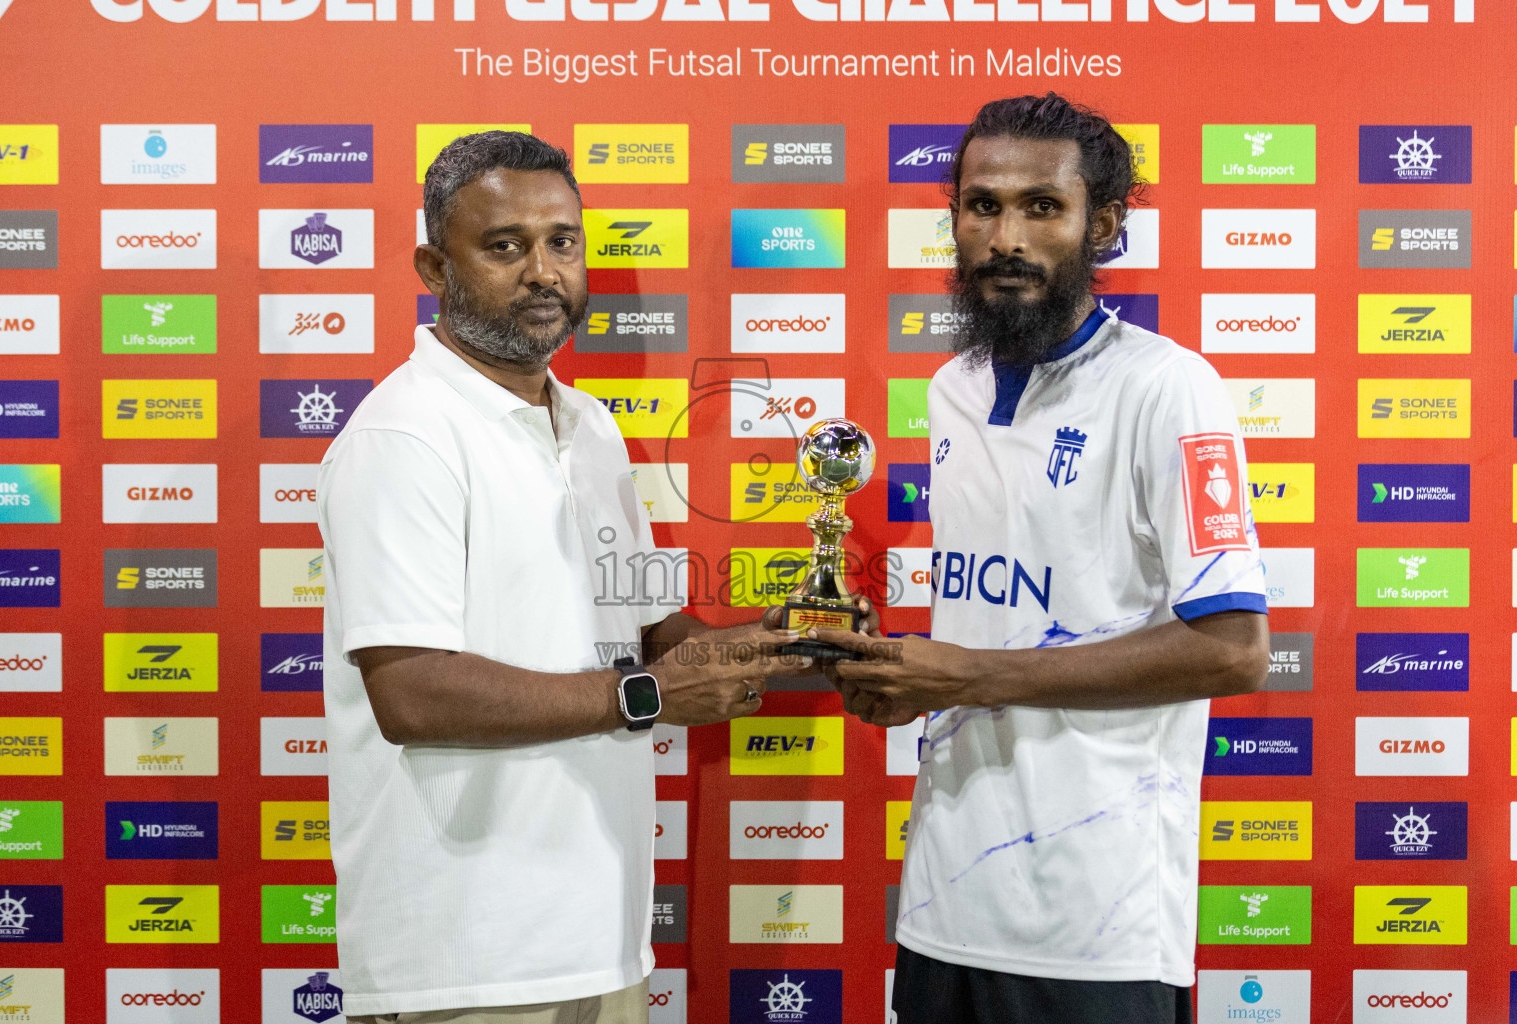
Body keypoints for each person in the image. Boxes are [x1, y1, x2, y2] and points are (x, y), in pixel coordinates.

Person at [319, 130, 797, 1024]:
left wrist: (795, 638)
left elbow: (654, 634)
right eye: (505, 246)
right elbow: (414, 695)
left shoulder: (592, 426)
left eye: (562, 241)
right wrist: (648, 698)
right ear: (434, 265)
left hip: (604, 940)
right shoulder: (404, 437)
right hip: (466, 963)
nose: (543, 271)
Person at [813, 94, 1271, 1023]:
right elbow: (997, 614)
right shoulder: (952, 387)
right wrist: (889, 672)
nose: (1005, 237)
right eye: (982, 207)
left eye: (1041, 207)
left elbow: (1234, 650)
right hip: (946, 899)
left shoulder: (1167, 387)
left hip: (1095, 921)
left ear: (1101, 226)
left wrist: (967, 675)